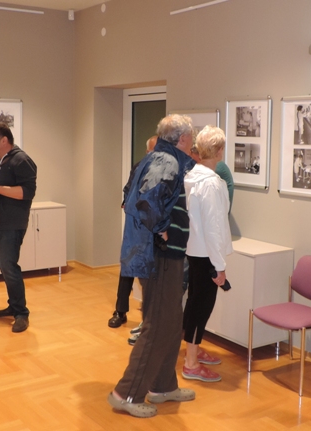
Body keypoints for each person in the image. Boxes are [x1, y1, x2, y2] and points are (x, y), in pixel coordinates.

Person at [108, 114, 196, 419]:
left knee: (171, 323)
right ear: (182, 138)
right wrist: (162, 229)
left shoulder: (162, 158)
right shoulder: (166, 162)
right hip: (160, 256)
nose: (193, 141)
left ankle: (162, 386)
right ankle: (127, 393)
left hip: (163, 255)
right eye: (191, 136)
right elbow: (145, 202)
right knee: (158, 324)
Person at [182, 126, 233, 383]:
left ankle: (193, 351)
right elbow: (213, 227)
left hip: (195, 250)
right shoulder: (211, 184)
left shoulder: (193, 177)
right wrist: (219, 265)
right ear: (219, 150)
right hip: (206, 255)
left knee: (195, 302)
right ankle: (191, 363)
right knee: (201, 306)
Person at [0, 123, 37, 333]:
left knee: (9, 267)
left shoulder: (22, 161)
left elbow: (27, 192)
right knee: (4, 267)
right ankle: (13, 305)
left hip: (12, 224)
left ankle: (21, 313)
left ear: (4, 141)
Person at [108, 135, 157, 333]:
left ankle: (149, 317)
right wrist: (127, 202)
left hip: (153, 231)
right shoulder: (138, 167)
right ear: (147, 152)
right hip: (135, 228)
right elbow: (128, 189)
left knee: (149, 274)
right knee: (127, 268)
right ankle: (120, 311)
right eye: (153, 151)